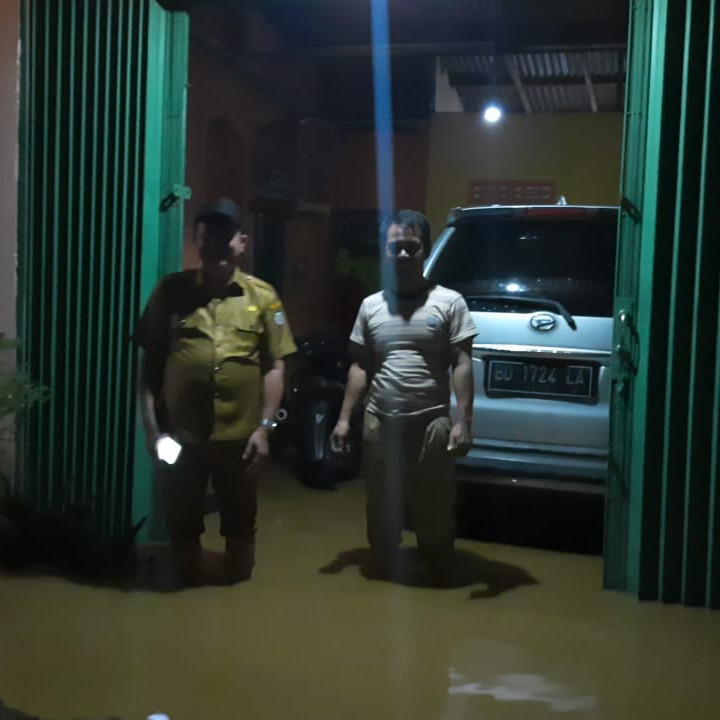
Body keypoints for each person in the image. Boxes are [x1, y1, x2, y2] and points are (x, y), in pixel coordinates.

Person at [136, 198, 296, 587]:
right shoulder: (169, 292)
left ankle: (230, 610)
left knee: (240, 533)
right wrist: (153, 433)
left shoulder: (264, 297)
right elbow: (148, 370)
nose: (215, 245)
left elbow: (276, 366)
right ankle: (189, 616)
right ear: (196, 241)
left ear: (242, 242)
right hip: (182, 438)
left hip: (241, 440)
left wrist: (264, 429)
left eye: (225, 236)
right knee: (182, 528)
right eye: (206, 237)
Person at [330, 209, 476, 582]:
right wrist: (345, 419)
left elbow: (461, 362)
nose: (404, 255)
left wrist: (464, 420)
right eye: (396, 247)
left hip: (433, 424)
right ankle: (381, 594)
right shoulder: (371, 306)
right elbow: (360, 367)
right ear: (385, 250)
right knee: (380, 512)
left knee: (435, 512)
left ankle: (437, 589)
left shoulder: (449, 303)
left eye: (412, 247)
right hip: (380, 422)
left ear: (425, 250)